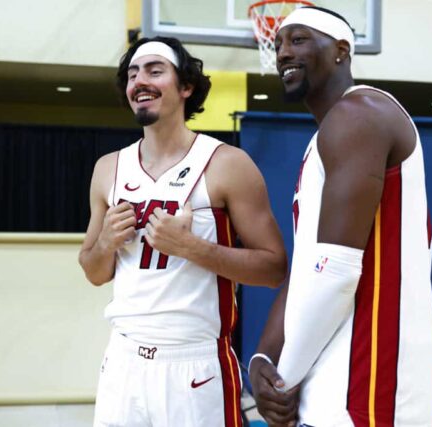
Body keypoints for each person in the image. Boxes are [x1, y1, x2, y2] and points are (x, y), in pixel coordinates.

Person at [79, 36, 288, 427]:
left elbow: (274, 267)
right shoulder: (108, 168)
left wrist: (193, 248)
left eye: (155, 71)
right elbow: (93, 271)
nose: (140, 80)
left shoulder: (227, 164)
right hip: (122, 362)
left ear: (186, 87)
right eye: (132, 74)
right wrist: (105, 242)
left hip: (194, 365)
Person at [248, 7, 432, 427]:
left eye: (297, 40)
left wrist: (284, 378)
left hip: (371, 389)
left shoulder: (360, 115)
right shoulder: (329, 134)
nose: (282, 53)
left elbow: (334, 270)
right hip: (333, 385)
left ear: (341, 51)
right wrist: (265, 356)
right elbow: (308, 267)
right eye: (278, 43)